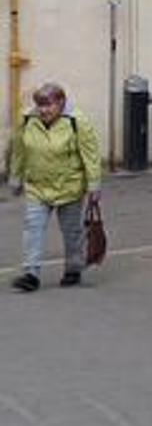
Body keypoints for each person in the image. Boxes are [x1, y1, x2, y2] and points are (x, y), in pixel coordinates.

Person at [8, 83, 102, 292]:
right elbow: (19, 150)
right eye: (40, 105)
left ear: (61, 103)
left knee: (71, 232)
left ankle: (73, 269)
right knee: (32, 229)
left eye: (48, 105)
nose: (43, 110)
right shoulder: (27, 120)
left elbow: (91, 155)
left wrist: (94, 185)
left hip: (69, 186)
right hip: (37, 186)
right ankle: (31, 274)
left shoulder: (77, 121)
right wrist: (16, 176)